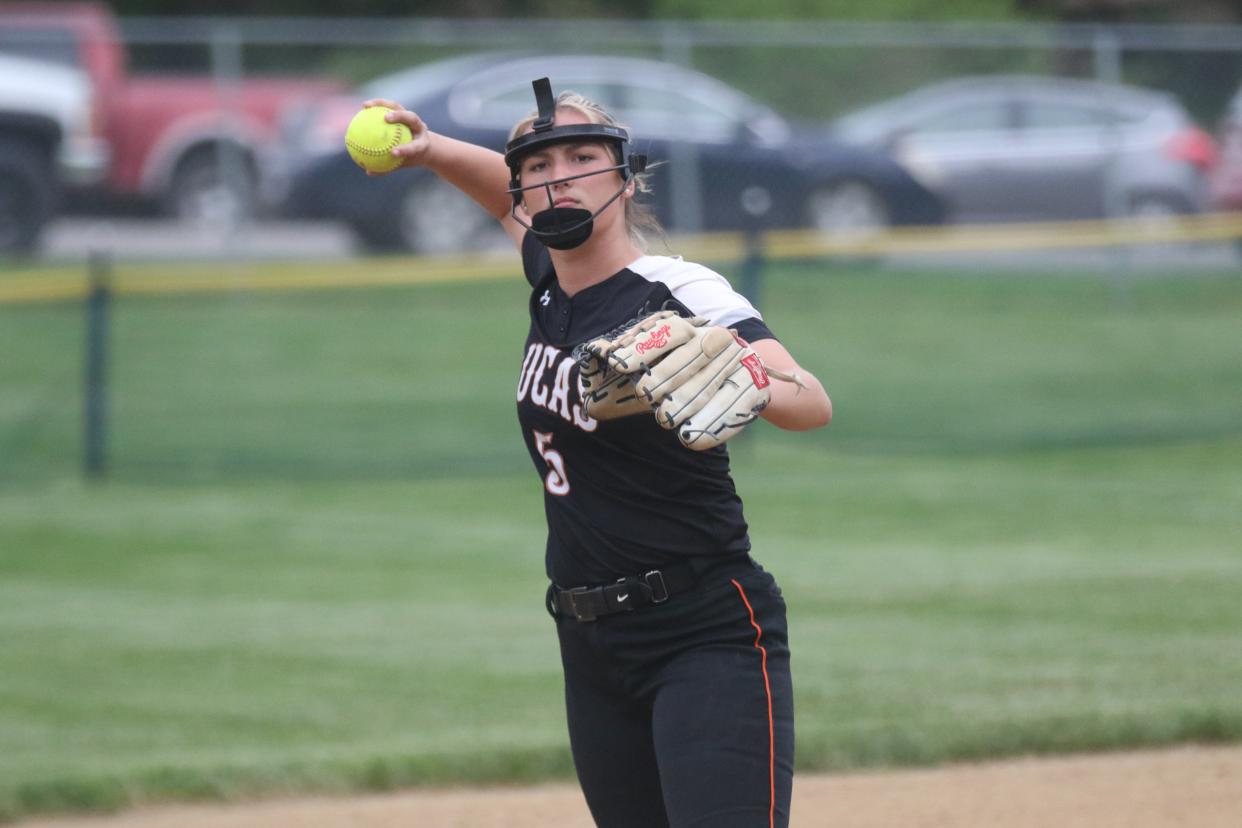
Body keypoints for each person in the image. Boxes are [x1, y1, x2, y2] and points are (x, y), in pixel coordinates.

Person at [362, 75, 831, 828]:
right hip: (590, 644)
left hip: (703, 630)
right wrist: (430, 151)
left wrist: (748, 376)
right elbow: (497, 192)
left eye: (582, 157)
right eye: (540, 167)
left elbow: (811, 399)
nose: (560, 178)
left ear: (623, 175)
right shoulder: (550, 279)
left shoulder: (678, 291)